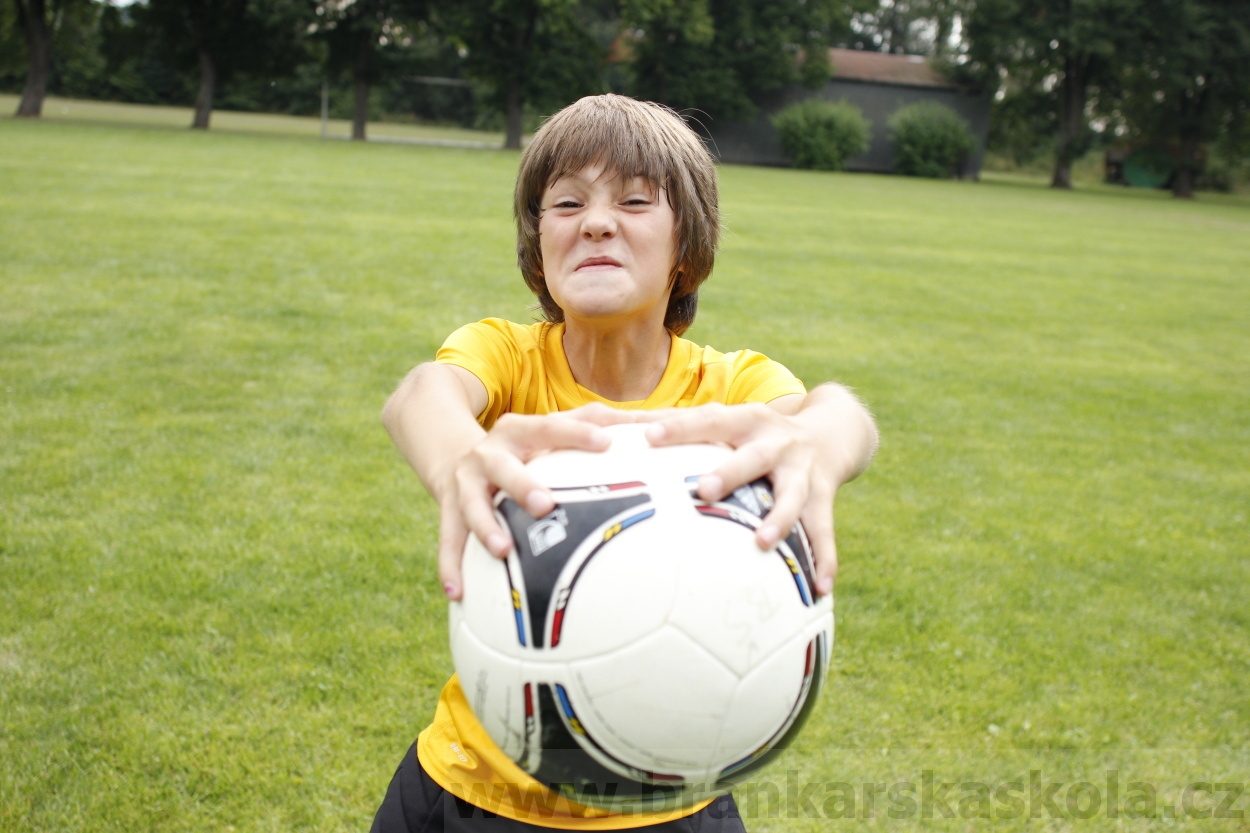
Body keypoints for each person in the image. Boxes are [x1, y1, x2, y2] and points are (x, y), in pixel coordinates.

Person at [374, 94, 878, 832]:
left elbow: (840, 416)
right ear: (538, 244)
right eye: (567, 202)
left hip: (672, 800)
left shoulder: (728, 389)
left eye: (636, 200)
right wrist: (459, 454)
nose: (597, 221)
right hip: (471, 790)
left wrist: (822, 442)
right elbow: (422, 393)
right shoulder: (508, 358)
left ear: (687, 246)